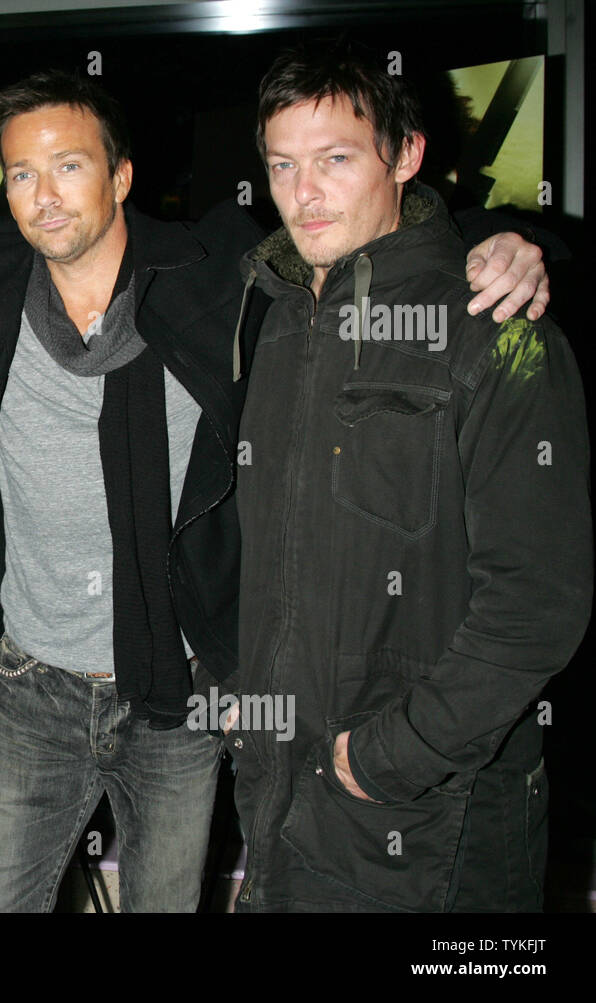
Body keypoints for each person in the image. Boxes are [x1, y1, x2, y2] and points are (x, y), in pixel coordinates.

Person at [0, 73, 549, 913]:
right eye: (22, 173)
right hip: (29, 690)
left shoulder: (207, 277)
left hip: (175, 694)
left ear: (122, 176)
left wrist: (494, 235)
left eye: (69, 165)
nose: (44, 194)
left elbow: (337, 235)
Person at [227, 42, 590, 912]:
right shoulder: (270, 317)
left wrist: (398, 753)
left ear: (407, 155)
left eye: (336, 160)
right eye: (282, 165)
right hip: (281, 802)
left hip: (432, 823)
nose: (302, 193)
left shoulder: (497, 327)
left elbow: (537, 604)